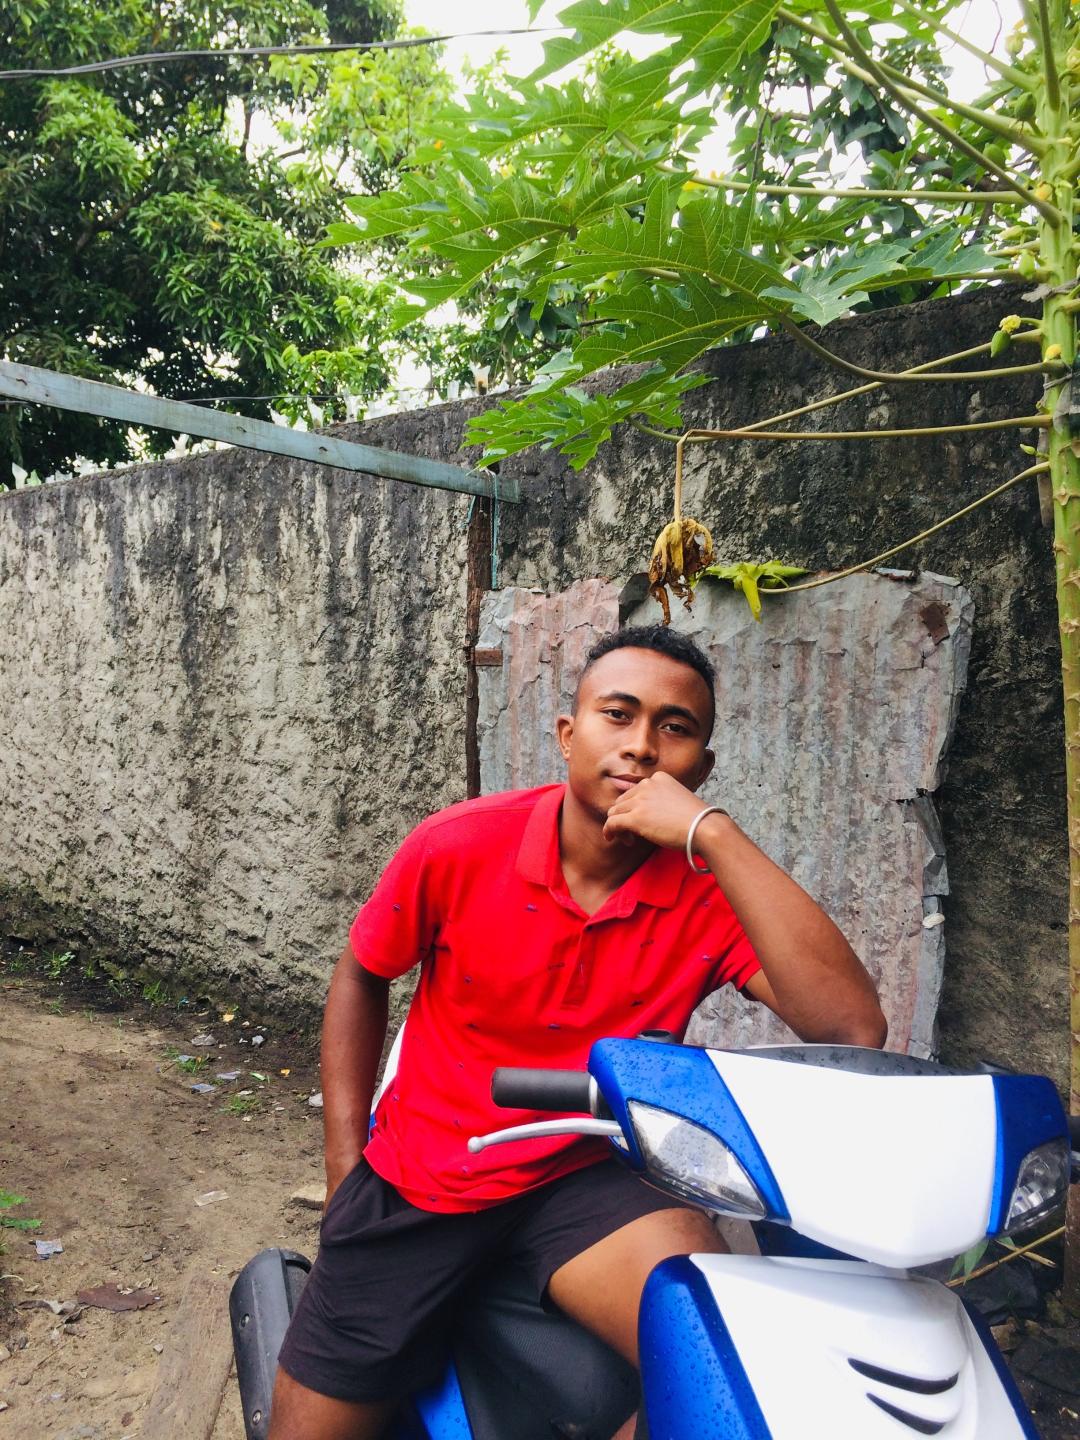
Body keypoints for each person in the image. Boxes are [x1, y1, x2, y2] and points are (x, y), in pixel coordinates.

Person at [269, 625, 887, 1440]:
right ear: (568, 734)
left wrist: (715, 832)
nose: (641, 746)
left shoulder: (709, 890)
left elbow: (851, 1025)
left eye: (675, 728)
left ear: (700, 768)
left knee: (731, 1365)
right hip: (429, 1172)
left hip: (591, 1175)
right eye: (618, 715)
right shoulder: (458, 844)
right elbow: (361, 973)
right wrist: (346, 1165)